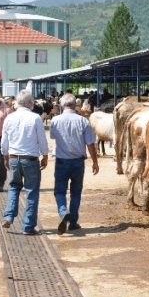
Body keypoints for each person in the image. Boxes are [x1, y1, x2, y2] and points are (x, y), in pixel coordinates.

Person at [0, 90, 49, 235]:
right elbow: (42, 139)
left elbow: (4, 141)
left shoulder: (9, 118)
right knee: (31, 191)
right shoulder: (35, 118)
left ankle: (8, 215)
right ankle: (28, 226)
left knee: (14, 187)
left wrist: (5, 157)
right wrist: (45, 155)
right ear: (30, 103)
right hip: (30, 159)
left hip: (14, 158)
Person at [49, 93, 99, 234]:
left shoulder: (55, 120)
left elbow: (53, 136)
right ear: (74, 105)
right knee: (75, 192)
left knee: (59, 191)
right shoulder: (83, 121)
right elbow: (90, 143)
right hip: (78, 162)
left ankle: (63, 211)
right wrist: (95, 162)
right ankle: (73, 222)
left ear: (62, 105)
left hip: (61, 161)